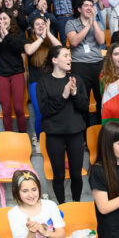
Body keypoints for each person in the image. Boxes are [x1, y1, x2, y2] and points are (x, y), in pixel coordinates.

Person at [36, 46, 88, 204]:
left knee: (76, 175)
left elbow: (84, 106)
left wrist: (74, 94)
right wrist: (64, 95)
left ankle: (76, 204)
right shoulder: (43, 81)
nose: (70, 59)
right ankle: (62, 206)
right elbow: (45, 110)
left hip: (76, 133)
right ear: (54, 60)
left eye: (70, 56)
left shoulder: (76, 79)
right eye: (66, 56)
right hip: (54, 134)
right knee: (58, 175)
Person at [66, 0, 105, 126]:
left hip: (98, 64)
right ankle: (84, 134)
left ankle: (101, 130)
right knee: (83, 101)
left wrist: (93, 22)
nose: (89, 8)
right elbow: (74, 41)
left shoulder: (97, 23)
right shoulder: (71, 23)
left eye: (91, 5)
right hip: (80, 65)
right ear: (79, 9)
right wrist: (88, 25)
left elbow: (101, 41)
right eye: (86, 5)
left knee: (101, 99)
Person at [0, 10, 26, 132]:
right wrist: (1, 38)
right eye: (0, 19)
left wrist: (6, 35)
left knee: (19, 109)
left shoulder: (19, 33)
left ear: (11, 19)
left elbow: (17, 48)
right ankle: (9, 138)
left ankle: (23, 137)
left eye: (5, 18)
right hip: (2, 74)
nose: (3, 21)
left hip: (17, 73)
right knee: (6, 110)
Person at [8, 169, 66, 238]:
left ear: (39, 188)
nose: (31, 195)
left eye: (34, 189)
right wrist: (32, 232)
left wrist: (44, 232)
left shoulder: (51, 205)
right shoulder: (14, 214)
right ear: (16, 192)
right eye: (25, 191)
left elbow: (62, 235)